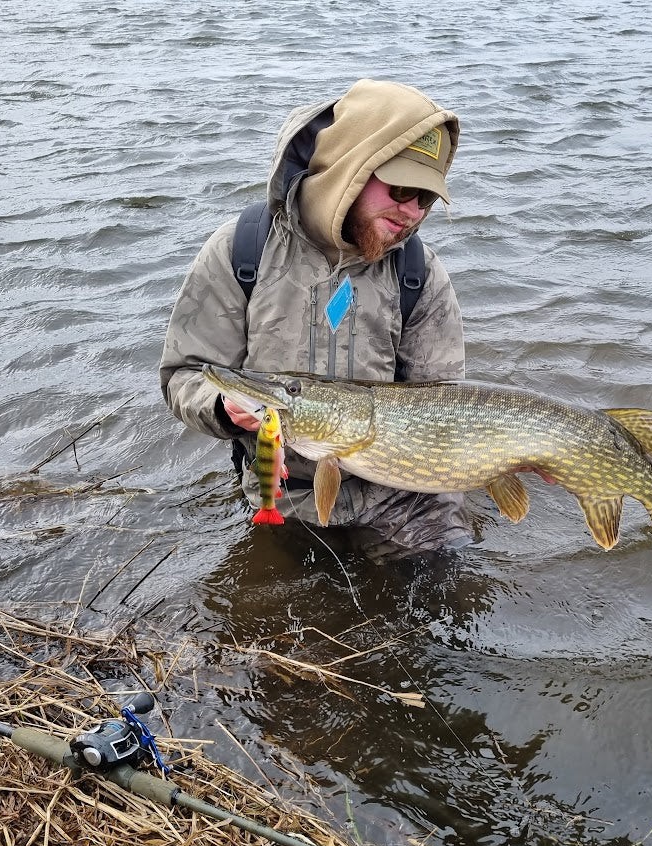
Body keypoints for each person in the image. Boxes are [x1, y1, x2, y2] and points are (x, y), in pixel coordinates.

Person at [159, 79, 471, 561]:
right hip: (281, 487)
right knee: (269, 618)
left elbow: (444, 403)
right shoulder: (241, 250)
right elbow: (185, 373)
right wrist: (224, 408)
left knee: (444, 603)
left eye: (425, 199)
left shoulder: (419, 273)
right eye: (402, 189)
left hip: (400, 494)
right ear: (351, 169)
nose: (411, 213)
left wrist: (508, 459)